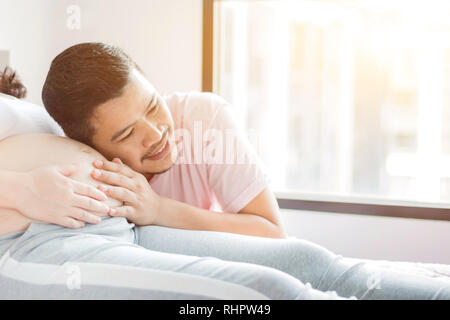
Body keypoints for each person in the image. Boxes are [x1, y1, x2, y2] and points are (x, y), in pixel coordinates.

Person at [0, 45, 449, 299]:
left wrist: (155, 209)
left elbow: (273, 232)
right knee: (268, 292)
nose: (157, 134)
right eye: (127, 135)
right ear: (88, 143)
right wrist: (22, 188)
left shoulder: (201, 118)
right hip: (59, 237)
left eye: (154, 106)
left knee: (310, 261)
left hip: (125, 228)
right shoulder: (42, 125)